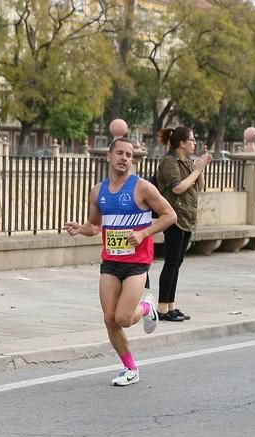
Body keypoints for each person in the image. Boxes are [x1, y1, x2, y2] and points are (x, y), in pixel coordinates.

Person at [65, 137, 176, 385]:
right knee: (109, 319)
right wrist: (80, 229)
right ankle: (130, 369)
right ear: (109, 156)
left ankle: (147, 307)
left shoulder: (142, 188)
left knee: (124, 318)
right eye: (120, 153)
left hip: (137, 263)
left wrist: (144, 233)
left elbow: (170, 215)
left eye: (129, 155)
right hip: (111, 262)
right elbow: (95, 227)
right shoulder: (98, 191)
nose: (125, 158)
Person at [154, 126, 212, 322]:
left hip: (186, 218)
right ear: (182, 143)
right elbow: (178, 188)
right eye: (192, 140)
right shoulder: (169, 161)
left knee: (177, 262)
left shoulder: (186, 161)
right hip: (173, 217)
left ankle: (170, 305)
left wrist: (199, 169)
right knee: (171, 262)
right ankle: (162, 308)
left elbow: (199, 186)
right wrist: (196, 170)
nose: (194, 143)